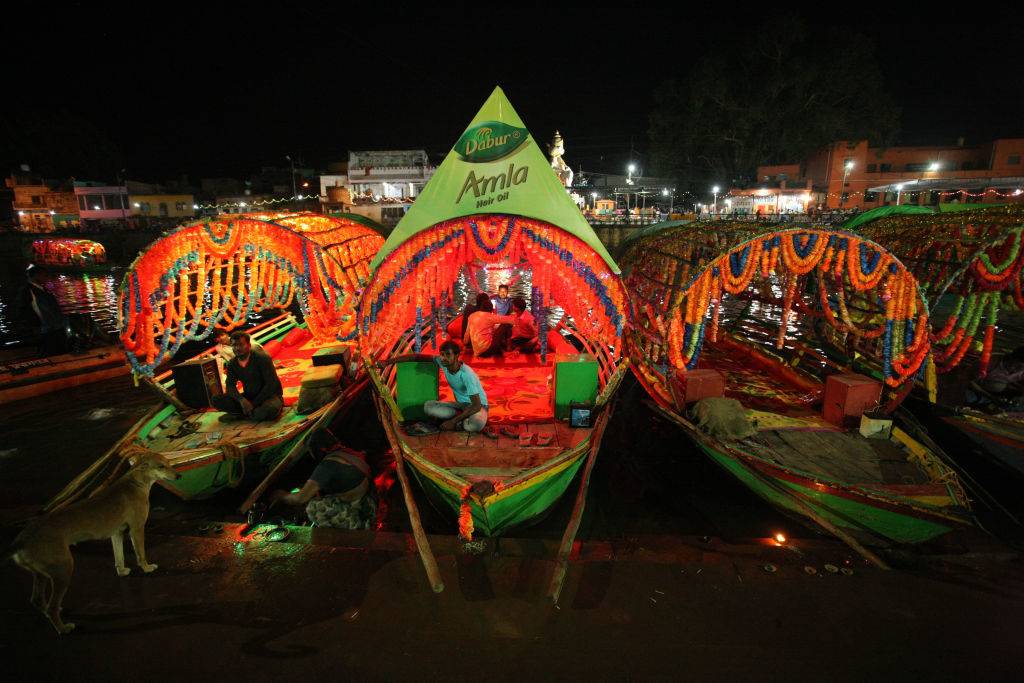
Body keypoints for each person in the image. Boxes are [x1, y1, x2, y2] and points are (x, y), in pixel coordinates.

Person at [268, 429, 376, 529]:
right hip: (369, 504)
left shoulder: (327, 466)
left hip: (358, 514)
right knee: (319, 495)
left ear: (319, 449)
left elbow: (299, 499)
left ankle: (343, 533)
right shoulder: (347, 453)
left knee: (313, 507)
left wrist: (281, 495)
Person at [378, 340, 488, 432]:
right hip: (461, 406)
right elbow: (416, 357)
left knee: (473, 425)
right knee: (428, 407)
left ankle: (458, 421)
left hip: (479, 407)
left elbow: (476, 405)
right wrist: (388, 362)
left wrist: (452, 422)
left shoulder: (466, 374)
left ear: (457, 355)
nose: (443, 358)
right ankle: (460, 420)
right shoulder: (442, 362)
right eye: (442, 354)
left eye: (448, 354)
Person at [210, 331, 284, 422]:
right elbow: (230, 386)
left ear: (249, 345)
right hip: (249, 396)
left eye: (241, 345)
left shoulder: (262, 358)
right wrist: (242, 400)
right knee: (216, 400)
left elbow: (271, 384)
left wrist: (253, 404)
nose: (237, 348)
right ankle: (250, 414)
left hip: (269, 397)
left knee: (270, 409)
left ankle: (241, 415)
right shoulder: (232, 364)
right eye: (234, 345)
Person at [20, 265, 69, 357]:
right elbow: (34, 310)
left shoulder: (42, 289)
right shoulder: (29, 291)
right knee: (50, 351)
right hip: (45, 328)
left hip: (51, 326)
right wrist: (39, 326)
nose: (47, 278)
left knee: (56, 349)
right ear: (35, 276)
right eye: (44, 275)